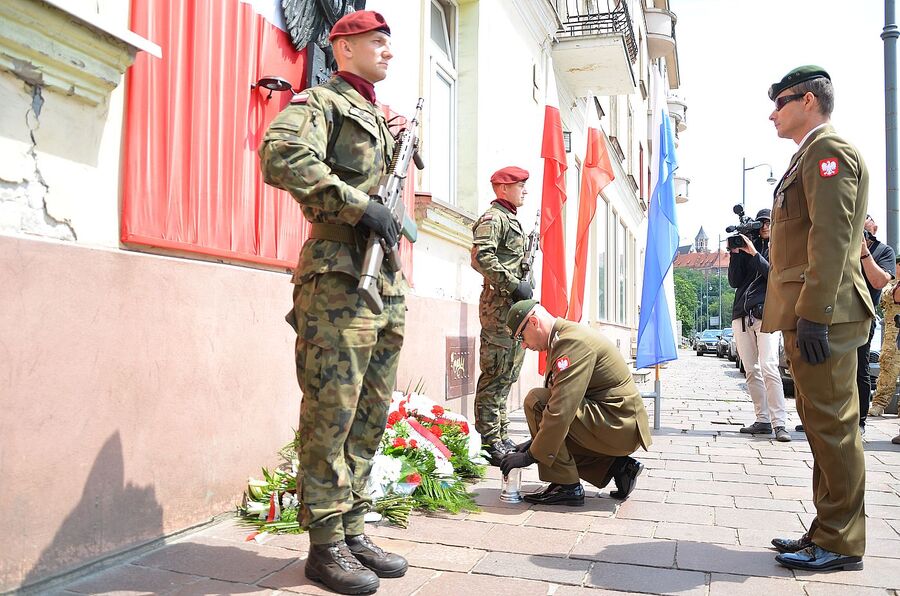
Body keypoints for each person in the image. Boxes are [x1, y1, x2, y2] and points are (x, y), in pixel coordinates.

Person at [258, 11, 409, 594]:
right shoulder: (321, 102)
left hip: (383, 280)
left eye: (389, 43)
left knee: (371, 410)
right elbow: (280, 154)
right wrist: (357, 205)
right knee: (332, 410)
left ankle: (351, 527)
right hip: (338, 277)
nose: (388, 52)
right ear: (343, 48)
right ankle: (324, 545)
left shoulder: (378, 115)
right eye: (378, 42)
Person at [763, 66, 873, 572]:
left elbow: (831, 238)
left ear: (808, 101)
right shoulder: (808, 155)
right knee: (820, 427)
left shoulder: (828, 152)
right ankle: (827, 528)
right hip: (812, 312)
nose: (772, 114)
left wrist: (815, 314)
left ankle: (842, 541)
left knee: (834, 429)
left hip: (824, 314)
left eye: (780, 102)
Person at [498, 300, 652, 505]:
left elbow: (561, 409)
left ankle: (566, 485)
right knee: (550, 432)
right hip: (616, 421)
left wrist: (530, 456)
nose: (524, 345)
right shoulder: (562, 338)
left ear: (534, 322)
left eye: (521, 337)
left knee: (537, 402)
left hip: (619, 425)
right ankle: (617, 467)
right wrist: (533, 444)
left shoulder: (571, 343)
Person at [471, 166, 533, 465]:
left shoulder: (510, 218)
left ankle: (501, 433)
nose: (525, 191)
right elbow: (481, 257)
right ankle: (488, 440)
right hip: (498, 308)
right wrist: (513, 284)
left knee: (508, 373)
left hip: (512, 309)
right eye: (520, 185)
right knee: (495, 372)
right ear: (503, 188)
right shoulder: (493, 218)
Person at [728, 208, 790, 442]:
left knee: (769, 366)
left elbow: (775, 278)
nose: (764, 226)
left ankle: (779, 422)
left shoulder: (781, 248)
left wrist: (754, 253)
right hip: (742, 315)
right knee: (751, 369)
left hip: (768, 315)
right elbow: (734, 281)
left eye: (768, 222)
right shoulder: (747, 247)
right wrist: (736, 254)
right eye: (761, 222)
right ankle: (762, 419)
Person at [870, 265, 900, 417]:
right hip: (893, 336)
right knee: (888, 369)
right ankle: (879, 403)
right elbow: (891, 297)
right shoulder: (889, 284)